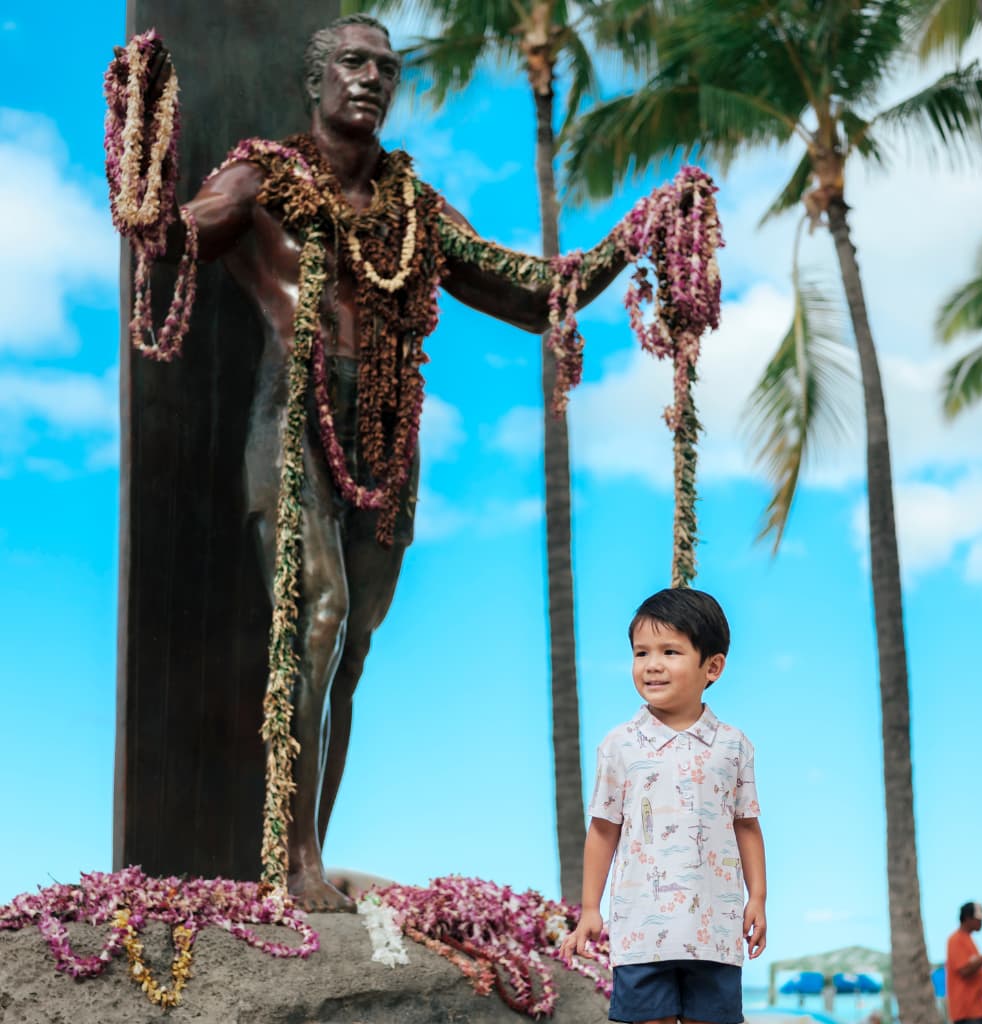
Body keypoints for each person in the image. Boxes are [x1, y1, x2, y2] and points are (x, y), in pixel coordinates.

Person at [119, 14, 623, 911]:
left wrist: (639, 235)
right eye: (354, 62)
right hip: (292, 417)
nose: (372, 78)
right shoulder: (263, 178)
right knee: (320, 613)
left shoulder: (416, 211)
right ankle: (294, 859)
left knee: (350, 650)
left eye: (387, 68)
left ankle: (311, 842)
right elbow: (167, 236)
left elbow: (540, 291)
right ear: (316, 80)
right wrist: (138, 135)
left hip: (388, 436)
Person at [560, 588, 766, 1024]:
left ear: (712, 666)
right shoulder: (619, 745)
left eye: (670, 651)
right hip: (640, 932)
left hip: (715, 930)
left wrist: (758, 898)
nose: (652, 664)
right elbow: (602, 830)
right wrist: (591, 908)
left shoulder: (733, 747)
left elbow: (746, 825)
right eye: (641, 653)